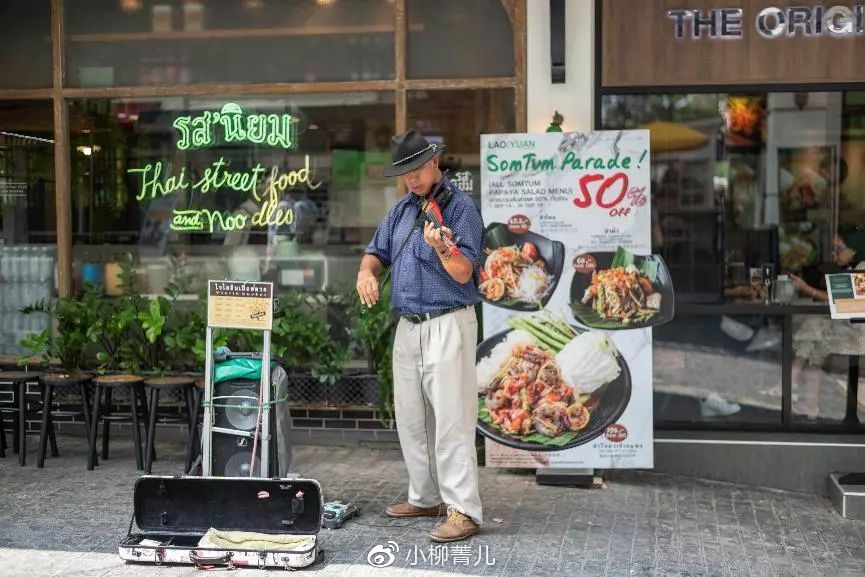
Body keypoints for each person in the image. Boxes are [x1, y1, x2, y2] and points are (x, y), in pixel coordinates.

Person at [356, 129, 484, 543]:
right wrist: (365, 273)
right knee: (411, 418)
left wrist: (444, 249)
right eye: (404, 172)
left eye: (416, 169)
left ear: (434, 162)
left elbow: (464, 272)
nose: (411, 178)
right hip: (408, 325)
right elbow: (376, 253)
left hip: (449, 321)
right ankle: (425, 496)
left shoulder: (461, 208)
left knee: (452, 418)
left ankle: (463, 510)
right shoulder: (401, 210)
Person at [790, 226, 865, 417]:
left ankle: (807, 400)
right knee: (814, 326)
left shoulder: (862, 269)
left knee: (818, 345)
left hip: (859, 337)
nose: (834, 253)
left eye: (838, 249)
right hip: (852, 329)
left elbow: (843, 302)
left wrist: (806, 288)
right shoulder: (855, 268)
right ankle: (796, 385)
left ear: (853, 250)